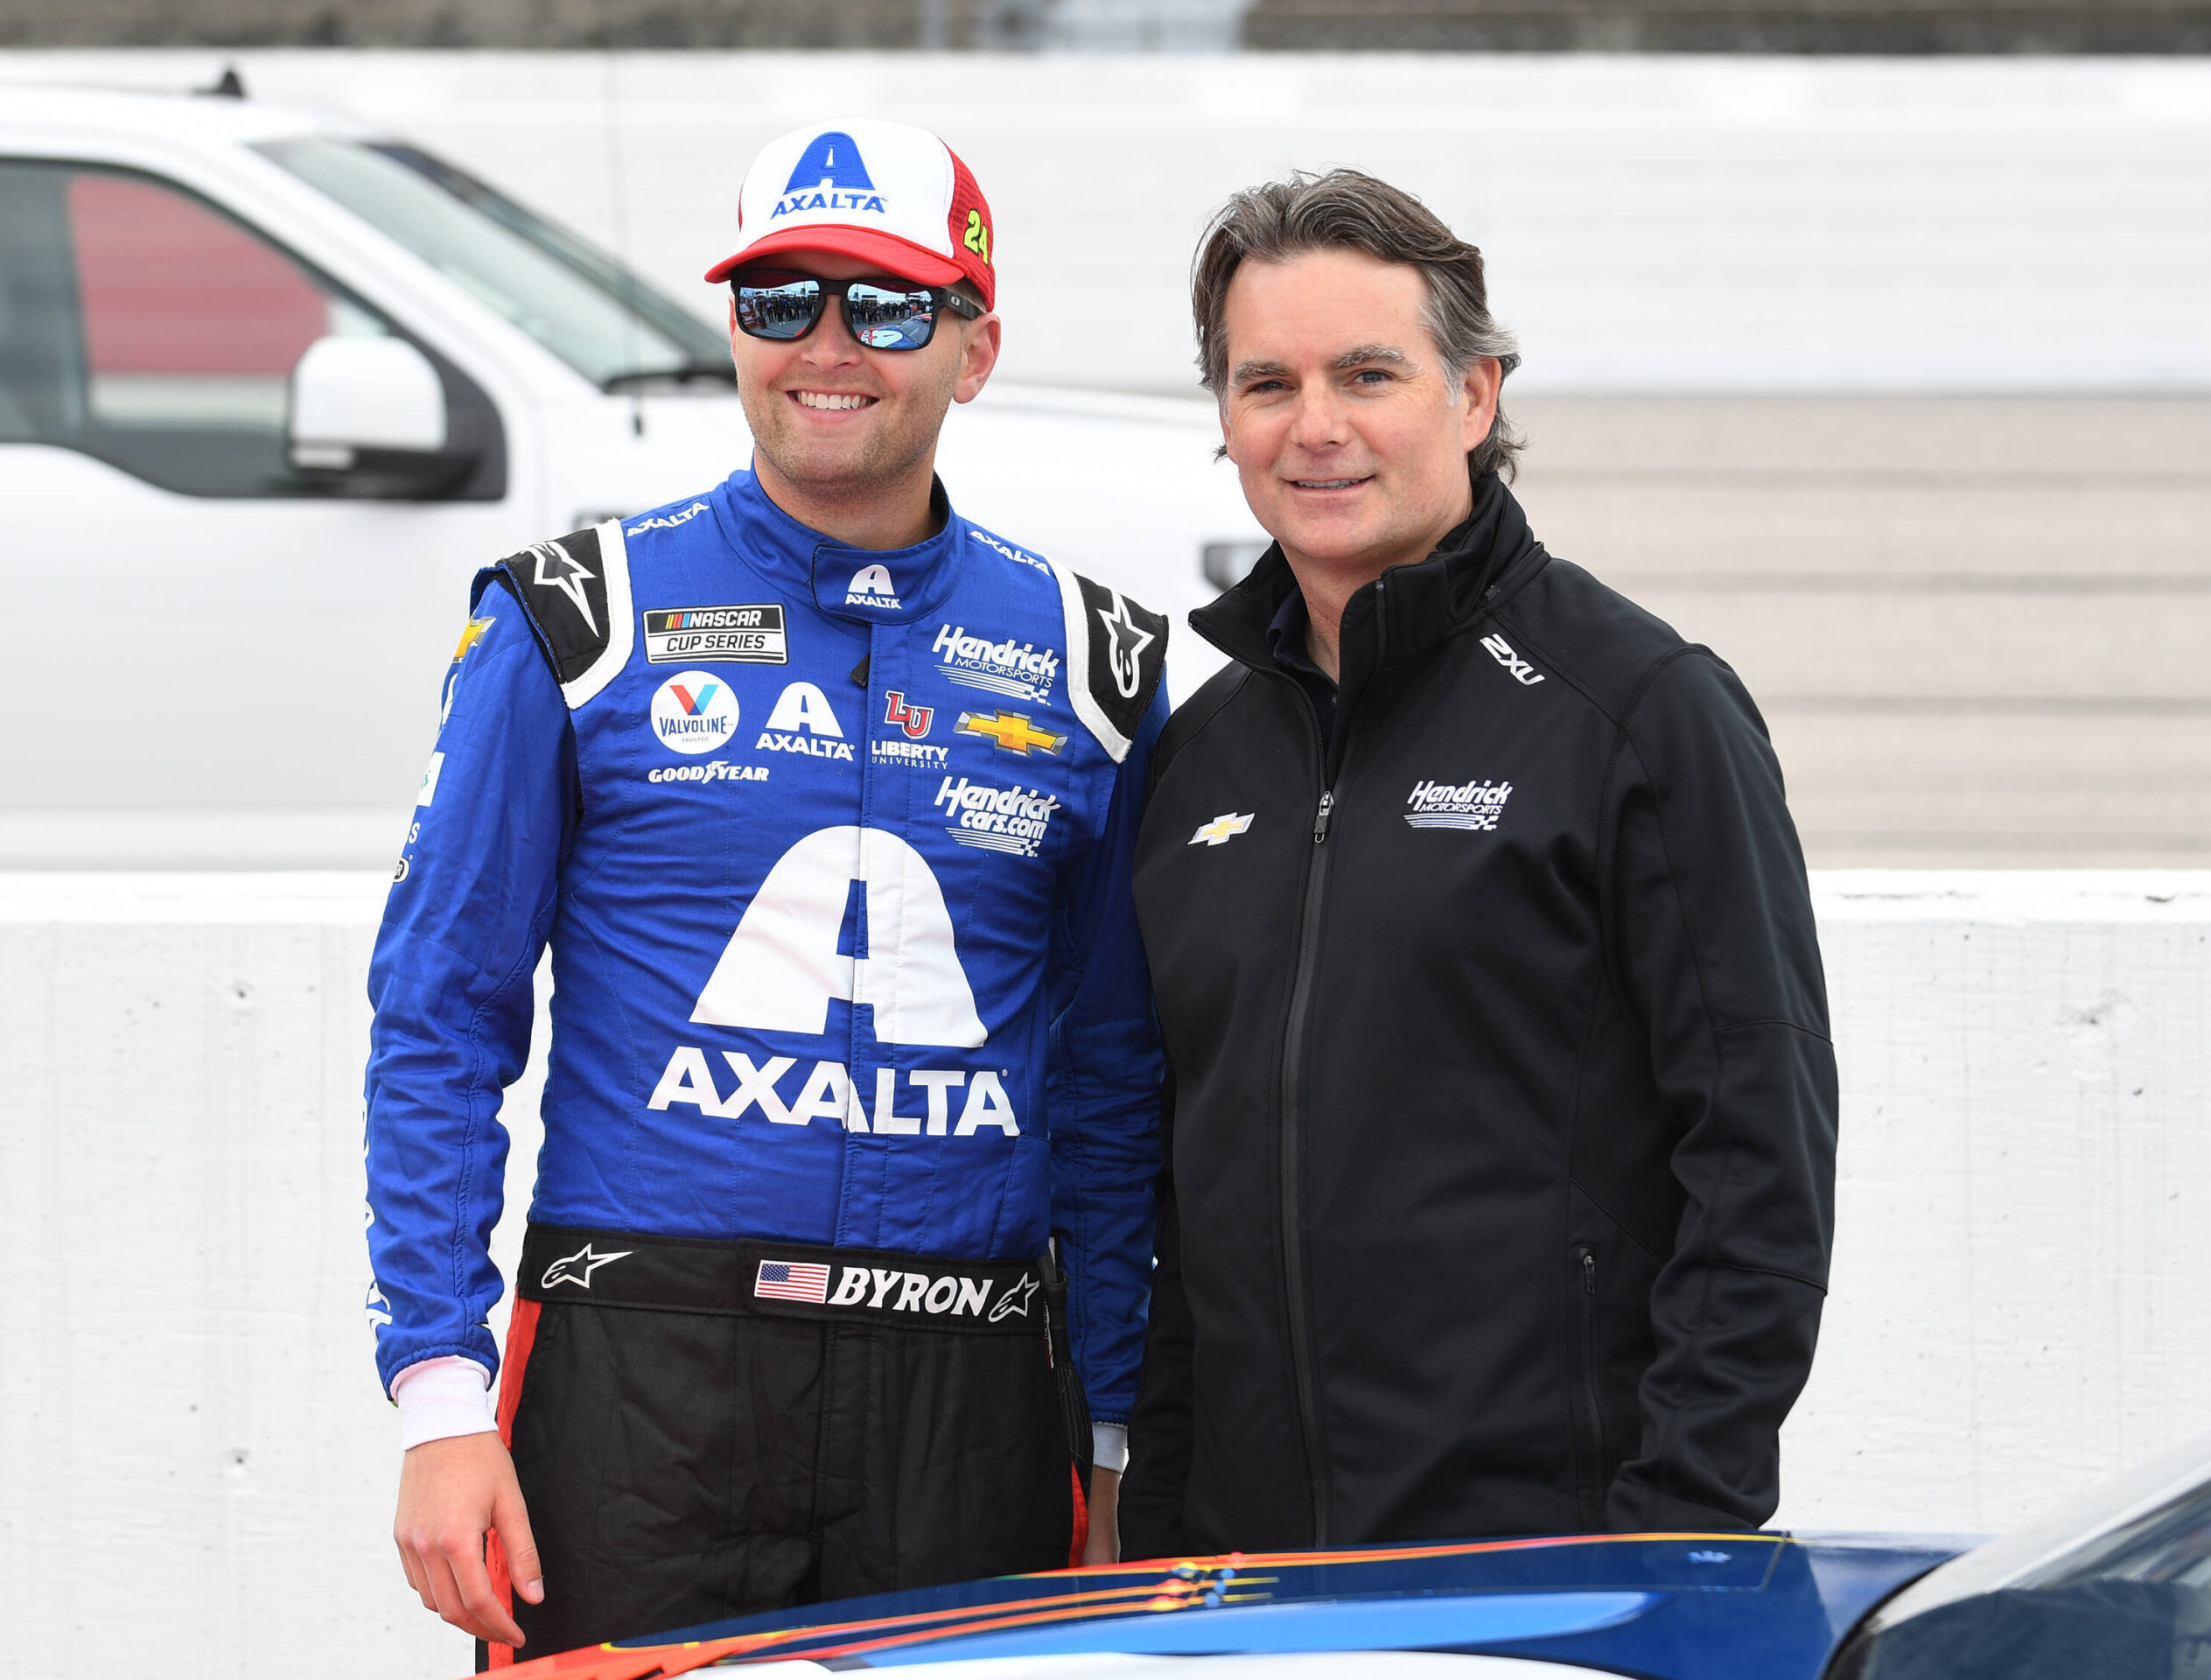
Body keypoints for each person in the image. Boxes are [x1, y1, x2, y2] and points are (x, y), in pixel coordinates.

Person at [364, 118, 1169, 1665]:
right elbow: (439, 1022)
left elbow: (1115, 1086)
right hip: (639, 1373)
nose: (826, 346)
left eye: (885, 305)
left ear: (975, 346)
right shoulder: (572, 621)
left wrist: (1119, 1432)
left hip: (971, 1396)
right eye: (779, 297)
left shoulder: (1096, 667)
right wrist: (440, 1402)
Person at [1120, 170, 1837, 1556]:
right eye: (1266, 383)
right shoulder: (1200, 761)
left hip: (1545, 1567)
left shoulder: (1638, 709)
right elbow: (1179, 1209)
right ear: (1224, 419)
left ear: (1476, 396)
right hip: (1243, 1572)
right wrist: (1161, 1545)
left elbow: (1761, 1162)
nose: (1316, 428)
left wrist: (1670, 1540)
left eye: (1369, 373)